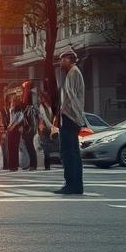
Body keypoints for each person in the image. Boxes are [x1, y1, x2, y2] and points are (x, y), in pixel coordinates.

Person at [54, 50, 85, 195]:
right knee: (72, 152)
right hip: (72, 117)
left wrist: (66, 113)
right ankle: (75, 185)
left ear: (68, 59)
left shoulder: (73, 73)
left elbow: (71, 97)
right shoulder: (73, 73)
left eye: (62, 60)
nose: (60, 63)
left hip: (70, 118)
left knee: (68, 152)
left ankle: (72, 185)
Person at [17, 80, 38, 171]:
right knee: (29, 145)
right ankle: (32, 164)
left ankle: (33, 164)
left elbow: (24, 104)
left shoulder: (30, 96)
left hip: (29, 126)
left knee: (30, 145)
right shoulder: (30, 96)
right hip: (29, 125)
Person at [37, 90, 55, 171]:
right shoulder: (43, 106)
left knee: (47, 146)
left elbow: (48, 117)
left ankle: (47, 165)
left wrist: (51, 126)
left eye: (41, 98)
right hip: (45, 128)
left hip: (47, 128)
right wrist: (51, 126)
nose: (40, 99)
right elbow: (44, 118)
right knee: (46, 147)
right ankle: (47, 165)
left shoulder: (48, 106)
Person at [4, 94, 21, 171]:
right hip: (11, 129)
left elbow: (16, 121)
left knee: (13, 148)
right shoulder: (11, 109)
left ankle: (13, 165)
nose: (11, 102)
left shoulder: (18, 110)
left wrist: (11, 127)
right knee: (11, 148)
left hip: (14, 130)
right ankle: (12, 165)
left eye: (13, 100)